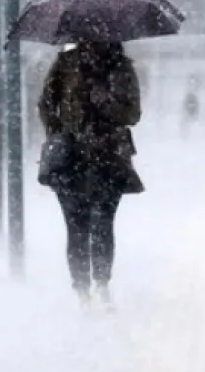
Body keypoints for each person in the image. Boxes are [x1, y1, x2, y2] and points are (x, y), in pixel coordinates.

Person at [38, 41, 144, 308]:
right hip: (71, 158)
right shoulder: (65, 65)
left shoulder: (121, 67)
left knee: (103, 224)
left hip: (108, 156)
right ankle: (82, 289)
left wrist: (105, 101)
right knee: (76, 226)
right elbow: (46, 105)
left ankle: (102, 282)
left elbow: (133, 114)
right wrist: (60, 132)